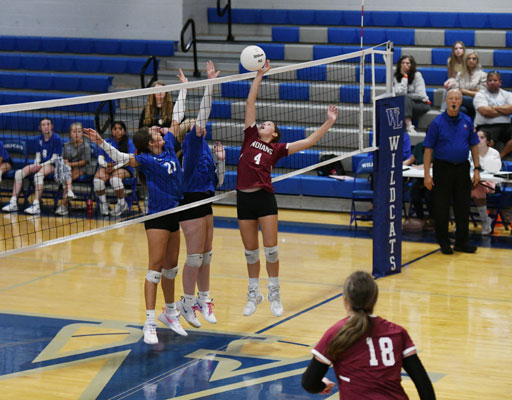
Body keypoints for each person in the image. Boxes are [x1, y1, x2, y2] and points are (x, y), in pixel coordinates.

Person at [238, 60, 338, 318]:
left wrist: (329, 122)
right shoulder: (250, 137)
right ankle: (253, 293)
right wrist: (259, 76)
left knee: (271, 250)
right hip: (243, 200)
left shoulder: (277, 149)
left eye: (268, 124)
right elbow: (250, 104)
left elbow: (309, 141)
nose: (264, 124)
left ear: (274, 134)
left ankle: (274, 293)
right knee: (251, 253)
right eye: (263, 123)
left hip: (264, 199)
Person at [301, 270, 436, 400]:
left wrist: (322, 385)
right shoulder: (398, 332)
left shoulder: (336, 333)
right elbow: (423, 385)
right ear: (374, 299)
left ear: (345, 298)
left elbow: (309, 383)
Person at [175, 61, 226, 329]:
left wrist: (222, 161)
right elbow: (203, 113)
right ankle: (186, 301)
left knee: (207, 255)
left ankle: (203, 299)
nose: (200, 125)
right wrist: (210, 85)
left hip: (206, 200)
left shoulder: (204, 148)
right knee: (194, 256)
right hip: (191, 201)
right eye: (195, 124)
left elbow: (219, 181)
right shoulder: (191, 144)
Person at [424, 89, 480, 254]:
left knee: (463, 206)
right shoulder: (437, 123)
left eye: (457, 98)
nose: (454, 101)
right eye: (451, 98)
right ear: (446, 101)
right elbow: (428, 149)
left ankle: (462, 242)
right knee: (441, 207)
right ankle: (444, 243)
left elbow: (474, 145)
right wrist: (427, 175)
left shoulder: (468, 121)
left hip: (462, 168)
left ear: (461, 102)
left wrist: (477, 169)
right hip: (443, 168)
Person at [2, 117, 62, 215]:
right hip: (41, 165)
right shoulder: (38, 139)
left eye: (48, 124)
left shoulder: (56, 138)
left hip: (52, 165)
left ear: (52, 126)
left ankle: (36, 204)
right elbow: (38, 156)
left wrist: (40, 166)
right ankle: (13, 202)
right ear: (40, 127)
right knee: (18, 173)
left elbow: (54, 158)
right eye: (43, 125)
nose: (46, 127)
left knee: (38, 176)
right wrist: (36, 164)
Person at [93, 121, 135, 217]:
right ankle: (103, 203)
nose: (117, 131)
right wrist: (106, 165)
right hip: (108, 167)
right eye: (115, 129)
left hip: (125, 167)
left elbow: (128, 159)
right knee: (97, 179)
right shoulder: (106, 142)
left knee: (114, 179)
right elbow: (100, 158)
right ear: (111, 131)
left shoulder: (129, 143)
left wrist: (114, 168)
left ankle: (121, 203)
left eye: (120, 129)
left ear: (124, 131)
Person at [55, 122, 96, 216]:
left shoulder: (85, 145)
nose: (77, 134)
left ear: (82, 133)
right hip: (70, 168)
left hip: (84, 168)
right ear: (70, 133)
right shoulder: (67, 145)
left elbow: (85, 161)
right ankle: (68, 195)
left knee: (66, 179)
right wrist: (65, 162)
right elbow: (64, 158)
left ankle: (63, 205)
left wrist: (70, 164)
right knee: (66, 176)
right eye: (74, 131)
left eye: (79, 131)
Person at [473, 71, 512, 159]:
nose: (492, 82)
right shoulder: (480, 95)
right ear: (487, 83)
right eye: (490, 81)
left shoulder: (507, 95)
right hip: (486, 126)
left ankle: (500, 157)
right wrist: (504, 110)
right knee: (482, 136)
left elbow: (511, 109)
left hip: (505, 126)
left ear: (500, 82)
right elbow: (485, 112)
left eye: (495, 80)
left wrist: (493, 107)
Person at [469, 129, 501, 235]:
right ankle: (461, 221)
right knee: (463, 188)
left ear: (488, 141)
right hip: (472, 182)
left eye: (482, 138)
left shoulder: (494, 153)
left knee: (477, 187)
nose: (478, 140)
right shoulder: (470, 152)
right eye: (477, 137)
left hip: (490, 183)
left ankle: (485, 221)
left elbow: (494, 170)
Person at [393, 55, 431, 135]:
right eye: (402, 63)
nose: (405, 65)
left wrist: (407, 96)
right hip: (406, 104)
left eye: (407, 63)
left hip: (421, 104)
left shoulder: (417, 75)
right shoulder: (396, 76)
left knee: (405, 98)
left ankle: (409, 126)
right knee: (402, 100)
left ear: (411, 65)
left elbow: (421, 95)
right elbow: (398, 93)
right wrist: (405, 77)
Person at [452, 50, 487, 120]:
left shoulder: (483, 75)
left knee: (456, 100)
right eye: (469, 58)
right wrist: (473, 92)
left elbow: (481, 94)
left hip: (477, 102)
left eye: (474, 59)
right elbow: (455, 91)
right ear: (465, 60)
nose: (471, 60)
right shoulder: (460, 74)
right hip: (464, 103)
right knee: (462, 110)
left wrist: (463, 91)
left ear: (477, 61)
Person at [441, 41, 466, 107]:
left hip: (465, 82)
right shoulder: (450, 60)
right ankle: (444, 109)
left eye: (460, 48)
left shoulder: (467, 60)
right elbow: (451, 76)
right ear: (453, 51)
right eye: (456, 48)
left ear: (463, 50)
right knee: (447, 88)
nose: (458, 50)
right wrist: (449, 83)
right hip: (455, 81)